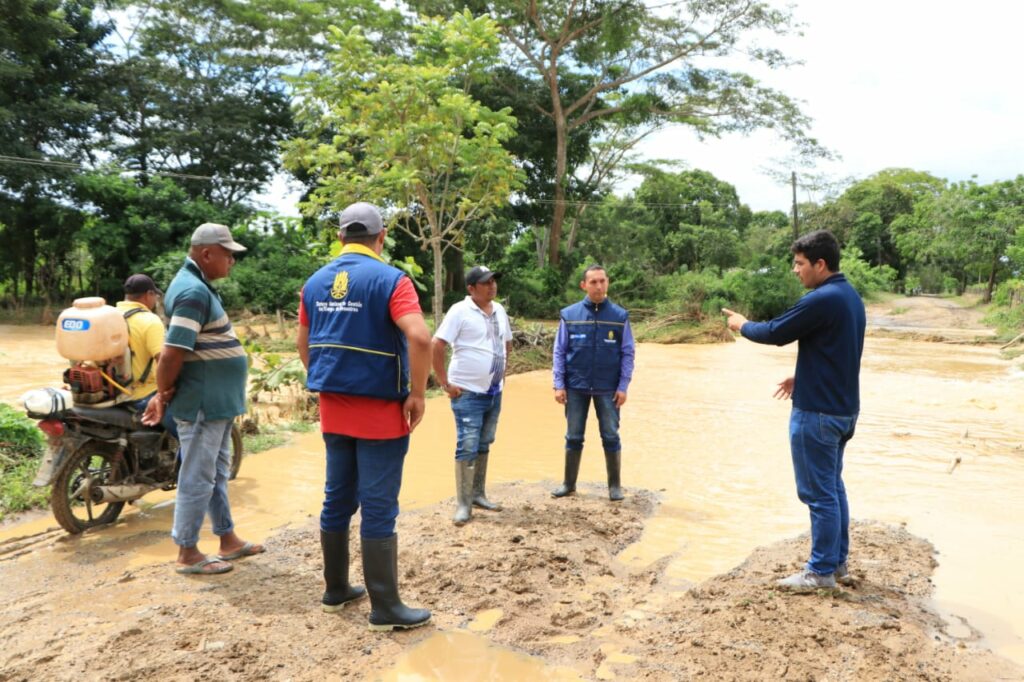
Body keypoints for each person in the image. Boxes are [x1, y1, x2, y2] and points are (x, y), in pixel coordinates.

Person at [297, 201, 432, 631]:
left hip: (333, 409)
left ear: (340, 237)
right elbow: (421, 338)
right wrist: (417, 394)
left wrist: (329, 380)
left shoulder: (314, 283)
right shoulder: (393, 280)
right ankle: (386, 606)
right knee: (378, 507)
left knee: (337, 497)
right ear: (382, 237)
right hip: (379, 411)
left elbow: (304, 343)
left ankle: (336, 589)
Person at [722, 229, 865, 591]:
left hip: (818, 413)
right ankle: (838, 564)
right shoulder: (849, 296)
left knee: (818, 495)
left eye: (800, 264)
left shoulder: (823, 299)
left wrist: (741, 325)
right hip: (842, 409)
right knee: (832, 488)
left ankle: (819, 573)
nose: (795, 270)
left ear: (820, 264)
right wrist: (802, 375)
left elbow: (775, 332)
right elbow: (836, 352)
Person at [142, 223, 264, 576]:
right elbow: (171, 353)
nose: (232, 262)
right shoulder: (193, 292)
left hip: (216, 402)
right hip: (202, 403)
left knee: (216, 473)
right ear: (207, 253)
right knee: (198, 474)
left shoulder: (199, 288)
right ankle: (187, 551)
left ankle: (227, 539)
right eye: (228, 255)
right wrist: (162, 394)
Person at [431, 265, 513, 526]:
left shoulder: (499, 310)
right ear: (471, 288)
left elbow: (507, 342)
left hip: (493, 391)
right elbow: (437, 344)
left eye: (493, 281)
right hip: (466, 392)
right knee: (467, 443)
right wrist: (444, 383)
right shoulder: (459, 311)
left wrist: (502, 373)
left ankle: (478, 494)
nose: (492, 286)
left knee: (484, 442)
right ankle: (464, 504)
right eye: (486, 283)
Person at [551, 265, 635, 501]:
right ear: (584, 285)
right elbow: (559, 351)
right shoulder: (570, 315)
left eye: (602, 281)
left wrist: (623, 386)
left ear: (608, 283)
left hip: (608, 388)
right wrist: (559, 384)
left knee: (610, 435)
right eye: (593, 282)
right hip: (576, 386)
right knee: (573, 436)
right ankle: (568, 484)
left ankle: (614, 487)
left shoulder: (620, 317)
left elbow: (628, 353)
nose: (598, 286)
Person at [116, 274, 164, 406]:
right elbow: (163, 362)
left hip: (111, 394)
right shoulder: (150, 320)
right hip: (140, 396)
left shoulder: (108, 317)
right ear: (149, 294)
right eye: (155, 295)